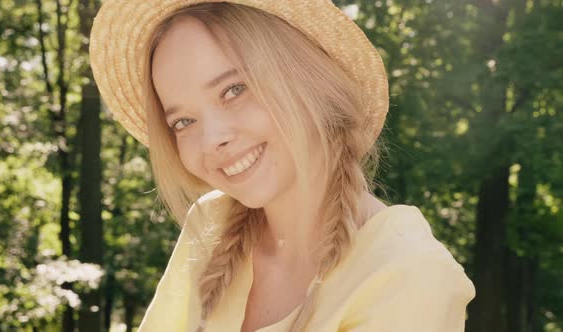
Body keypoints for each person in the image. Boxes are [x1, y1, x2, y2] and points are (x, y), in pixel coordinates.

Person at [89, 1, 476, 331]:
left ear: (307, 78)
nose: (212, 140)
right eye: (183, 122)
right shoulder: (209, 224)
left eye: (234, 90)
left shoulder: (409, 274)